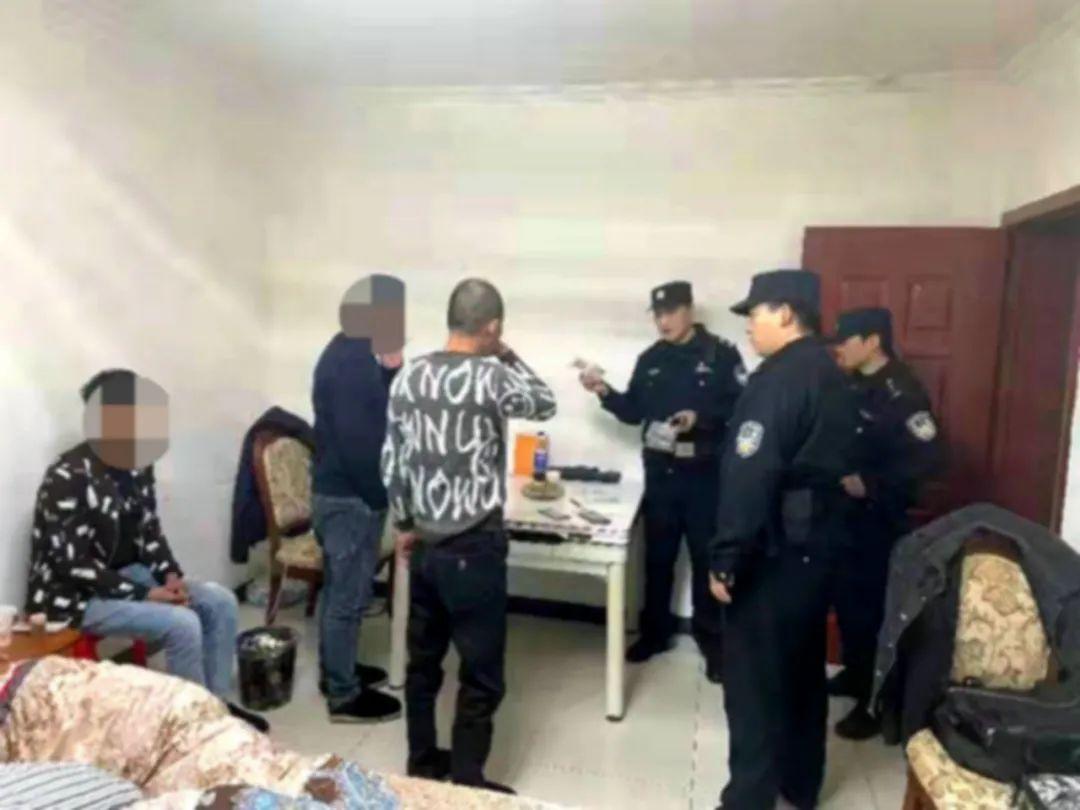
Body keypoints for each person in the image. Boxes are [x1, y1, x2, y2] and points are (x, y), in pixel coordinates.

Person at [382, 278, 556, 794]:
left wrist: (405, 525)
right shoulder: (493, 376)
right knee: (481, 675)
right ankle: (467, 781)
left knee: (422, 666)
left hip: (425, 548)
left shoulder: (409, 375)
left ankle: (421, 764)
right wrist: (508, 355)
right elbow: (544, 402)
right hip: (475, 548)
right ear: (493, 327)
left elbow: (392, 462)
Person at [25, 368, 267, 732]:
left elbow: (149, 530)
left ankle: (216, 709)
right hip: (74, 596)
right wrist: (145, 593)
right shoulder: (67, 477)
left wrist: (170, 575)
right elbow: (72, 565)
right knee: (182, 623)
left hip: (127, 577)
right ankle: (190, 729)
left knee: (219, 601)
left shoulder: (138, 464)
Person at [708, 270, 857, 810]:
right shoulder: (830, 371)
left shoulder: (779, 379)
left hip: (772, 553)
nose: (749, 326)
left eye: (755, 314)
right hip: (816, 548)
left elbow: (752, 473)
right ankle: (800, 784)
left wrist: (727, 557)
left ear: (786, 313)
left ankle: (748, 800)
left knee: (753, 685)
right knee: (801, 671)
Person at [580, 281, 744, 680]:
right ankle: (655, 632)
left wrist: (700, 419)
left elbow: (742, 408)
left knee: (706, 559)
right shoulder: (651, 358)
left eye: (670, 312)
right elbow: (634, 411)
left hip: (704, 475)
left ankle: (712, 642)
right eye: (657, 314)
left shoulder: (721, 355)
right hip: (661, 474)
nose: (663, 321)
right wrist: (603, 391)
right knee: (657, 558)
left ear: (690, 310)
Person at [828, 307, 944, 740]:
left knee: (874, 612)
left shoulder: (902, 391)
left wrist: (872, 484)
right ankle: (856, 675)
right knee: (849, 607)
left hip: (880, 520)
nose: (838, 349)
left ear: (872, 341)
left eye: (845, 340)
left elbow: (930, 459)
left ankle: (875, 704)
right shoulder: (851, 384)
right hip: (846, 518)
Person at [311, 275, 406, 723]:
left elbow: (373, 411)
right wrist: (377, 497)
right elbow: (357, 441)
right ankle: (343, 695)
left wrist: (389, 371)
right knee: (347, 600)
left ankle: (337, 669)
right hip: (350, 498)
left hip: (342, 494)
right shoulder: (350, 360)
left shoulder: (353, 353)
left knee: (340, 593)